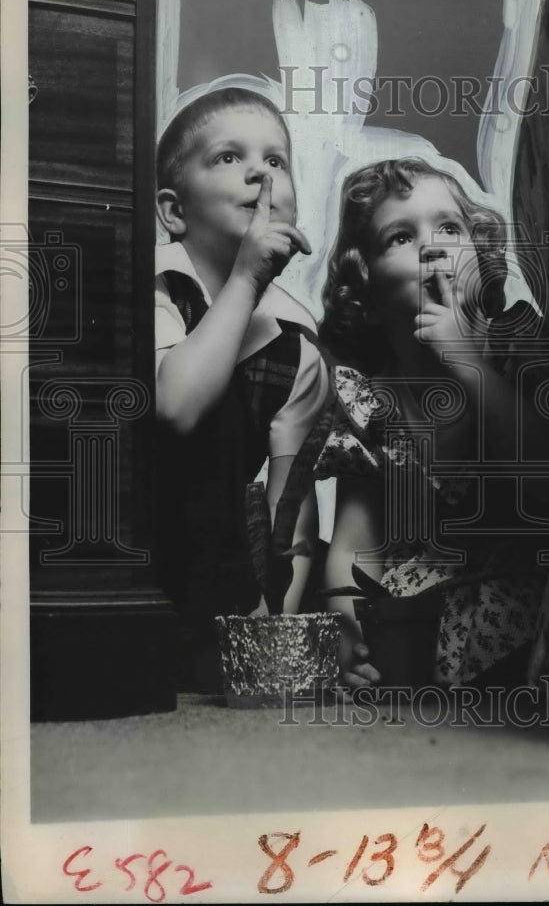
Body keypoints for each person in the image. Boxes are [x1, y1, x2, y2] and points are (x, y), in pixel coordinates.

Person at [315, 157, 549, 690]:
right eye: (401, 237)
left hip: (525, 602)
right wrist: (346, 628)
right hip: (417, 619)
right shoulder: (370, 401)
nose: (434, 247)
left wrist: (469, 363)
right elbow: (357, 543)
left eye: (450, 227)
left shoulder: (521, 349)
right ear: (368, 292)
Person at [154, 87, 328, 692]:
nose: (259, 170)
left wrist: (276, 620)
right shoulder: (156, 290)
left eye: (276, 161)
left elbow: (290, 503)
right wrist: (247, 279)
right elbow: (176, 409)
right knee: (214, 407)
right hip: (142, 531)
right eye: (229, 157)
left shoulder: (297, 343)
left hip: (225, 554)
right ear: (175, 213)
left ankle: (233, 632)